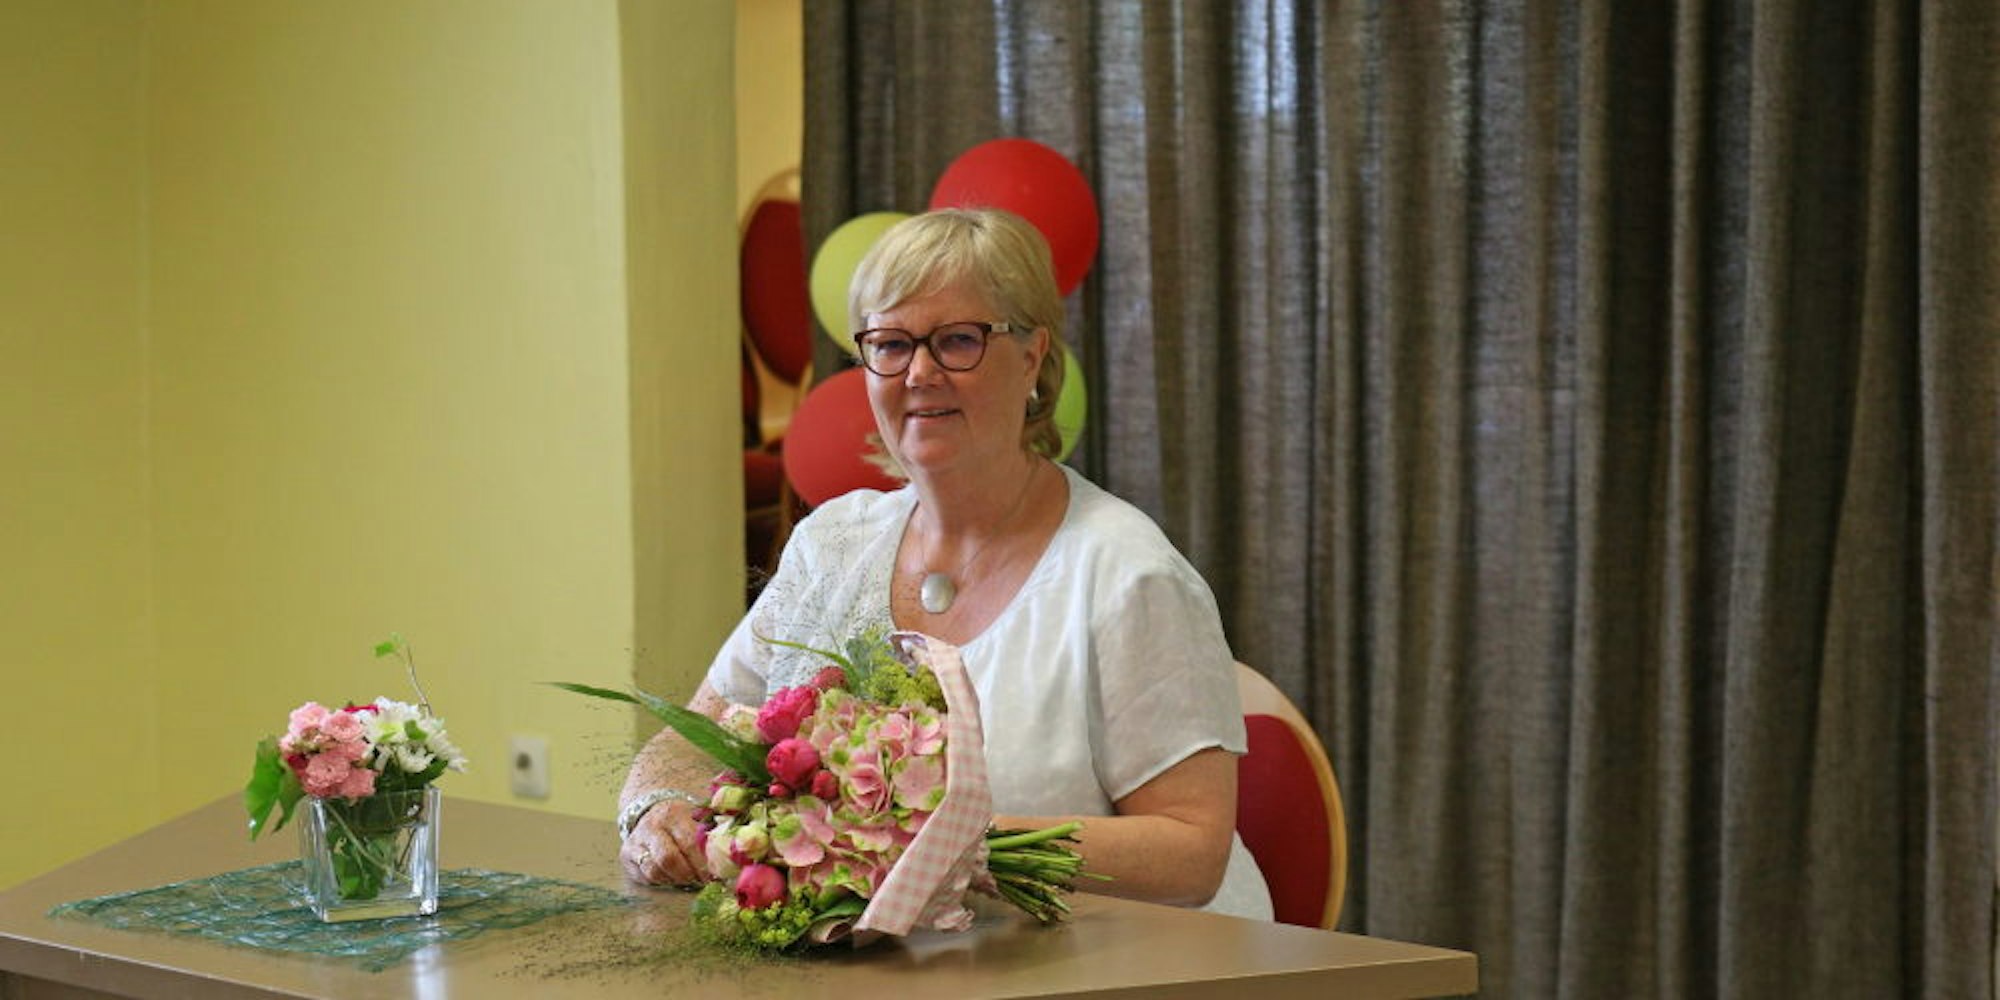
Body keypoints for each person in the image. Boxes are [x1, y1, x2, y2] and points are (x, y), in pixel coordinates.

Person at [617, 207, 1273, 920]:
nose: (920, 373)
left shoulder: (1128, 575)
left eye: (959, 340)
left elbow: (1191, 852)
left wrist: (941, 843)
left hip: (1124, 960)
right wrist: (657, 810)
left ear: (1032, 357)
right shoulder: (831, 544)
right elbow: (693, 738)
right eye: (891, 344)